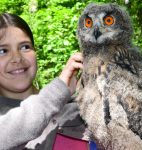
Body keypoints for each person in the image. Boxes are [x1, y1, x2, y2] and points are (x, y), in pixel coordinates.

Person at [0, 13, 88, 150]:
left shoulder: (76, 107)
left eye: (25, 47)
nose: (17, 58)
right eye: (2, 51)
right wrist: (59, 91)